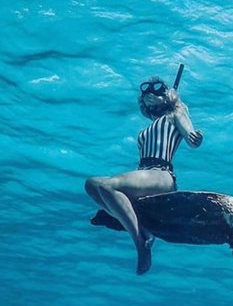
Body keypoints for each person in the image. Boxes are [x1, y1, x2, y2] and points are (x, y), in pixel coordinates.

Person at [85, 76, 203, 275]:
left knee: (107, 186)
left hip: (162, 175)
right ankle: (140, 227)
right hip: (145, 175)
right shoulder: (148, 129)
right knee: (91, 184)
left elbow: (191, 138)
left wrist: (195, 136)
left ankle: (140, 241)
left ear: (167, 95)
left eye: (157, 90)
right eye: (146, 91)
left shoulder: (176, 113)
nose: (150, 93)